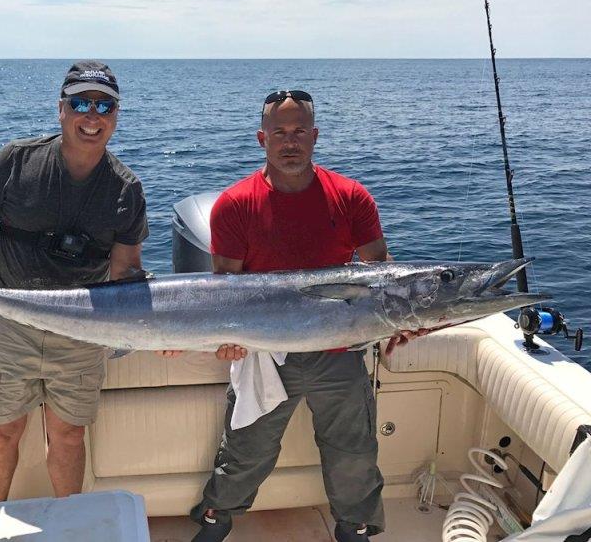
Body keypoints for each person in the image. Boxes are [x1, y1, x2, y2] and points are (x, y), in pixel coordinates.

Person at [181, 90, 425, 542]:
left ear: (315, 137)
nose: (289, 142)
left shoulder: (351, 197)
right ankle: (217, 517)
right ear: (262, 139)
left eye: (298, 132)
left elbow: (382, 274)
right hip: (266, 353)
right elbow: (224, 293)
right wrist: (229, 341)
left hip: (339, 351)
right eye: (279, 133)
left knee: (353, 451)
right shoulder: (235, 204)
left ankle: (355, 527)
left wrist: (398, 322)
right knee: (246, 449)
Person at [0, 61, 148, 504]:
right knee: (1, 433)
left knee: (69, 435)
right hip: (9, 324)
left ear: (116, 116)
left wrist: (157, 324)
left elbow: (126, 270)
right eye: (80, 103)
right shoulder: (17, 160)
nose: (91, 116)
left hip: (80, 331)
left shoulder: (126, 190)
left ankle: (68, 521)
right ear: (61, 109)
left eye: (104, 106)